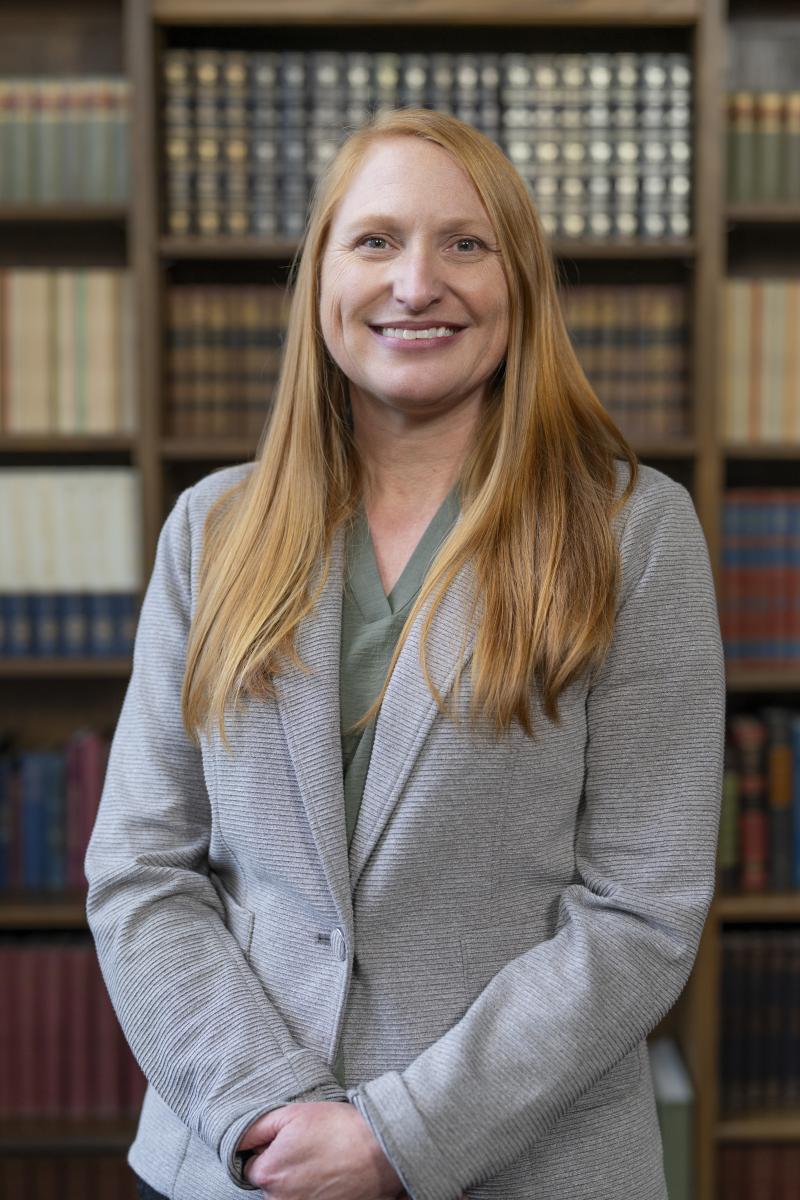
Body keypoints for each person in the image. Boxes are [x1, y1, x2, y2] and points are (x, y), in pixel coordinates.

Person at [85, 107, 724, 1200]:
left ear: (517, 283)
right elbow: (141, 871)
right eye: (374, 241)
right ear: (321, 277)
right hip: (238, 1164)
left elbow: (640, 910)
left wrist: (397, 1136)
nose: (416, 284)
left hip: (526, 1167)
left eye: (463, 244)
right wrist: (265, 1108)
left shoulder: (632, 532)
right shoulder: (212, 530)